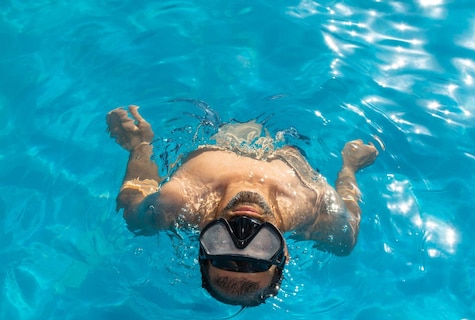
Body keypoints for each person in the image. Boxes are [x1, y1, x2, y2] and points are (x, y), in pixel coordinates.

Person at [107, 105, 378, 307]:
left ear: (202, 245)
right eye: (261, 247)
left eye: (220, 243)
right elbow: (350, 232)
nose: (243, 229)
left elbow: (131, 202)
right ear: (284, 252)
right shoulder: (319, 213)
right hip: (294, 131)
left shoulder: (174, 205)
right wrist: (350, 168)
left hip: (204, 119)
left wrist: (140, 146)